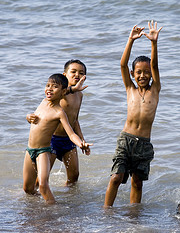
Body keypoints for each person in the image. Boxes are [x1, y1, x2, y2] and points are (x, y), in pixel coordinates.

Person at [104, 21, 162, 207]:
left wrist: (153, 43)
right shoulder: (130, 88)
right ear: (132, 73)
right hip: (125, 140)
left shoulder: (155, 90)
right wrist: (131, 40)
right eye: (138, 72)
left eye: (146, 72)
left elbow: (155, 66)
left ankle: (133, 216)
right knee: (115, 178)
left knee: (137, 182)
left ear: (151, 75)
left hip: (143, 144)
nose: (143, 75)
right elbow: (122, 65)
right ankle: (107, 211)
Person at [23, 73, 92, 204]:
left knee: (43, 185)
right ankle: (36, 208)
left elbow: (71, 134)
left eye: (54, 87)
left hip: (43, 152)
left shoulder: (59, 112)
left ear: (63, 92)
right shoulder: (43, 102)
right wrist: (28, 116)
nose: (49, 89)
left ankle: (54, 212)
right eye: (47, 85)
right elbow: (34, 118)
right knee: (27, 189)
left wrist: (81, 143)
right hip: (29, 151)